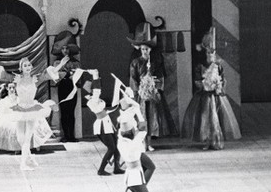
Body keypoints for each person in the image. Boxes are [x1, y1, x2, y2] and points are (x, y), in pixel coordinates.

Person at [0, 56, 69, 170]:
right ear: (21, 68)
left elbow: (49, 73)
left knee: (27, 138)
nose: (27, 67)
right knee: (21, 138)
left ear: (31, 67)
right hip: (20, 109)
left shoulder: (35, 79)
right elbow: (2, 74)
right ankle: (29, 157)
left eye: (29, 65)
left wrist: (61, 63)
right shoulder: (16, 79)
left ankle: (23, 164)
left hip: (32, 109)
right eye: (25, 65)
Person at [181, 27, 241, 150]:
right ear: (205, 53)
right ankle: (205, 141)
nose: (210, 55)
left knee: (216, 118)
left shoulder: (218, 66)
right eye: (208, 52)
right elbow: (197, 80)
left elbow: (223, 79)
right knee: (205, 118)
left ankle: (216, 140)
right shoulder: (201, 66)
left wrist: (219, 85)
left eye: (212, 53)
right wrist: (204, 85)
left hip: (215, 95)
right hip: (204, 96)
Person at [128, 22, 177, 151]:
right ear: (140, 49)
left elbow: (160, 76)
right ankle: (141, 142)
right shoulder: (135, 62)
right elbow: (133, 78)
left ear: (150, 50)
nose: (145, 51)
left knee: (152, 118)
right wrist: (138, 90)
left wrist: (156, 89)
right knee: (141, 118)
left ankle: (149, 143)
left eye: (147, 49)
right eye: (143, 49)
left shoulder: (154, 62)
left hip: (152, 94)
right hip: (140, 95)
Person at [117, 111, 157, 192]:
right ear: (132, 132)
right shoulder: (135, 143)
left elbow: (128, 129)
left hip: (129, 176)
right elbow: (143, 126)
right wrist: (138, 109)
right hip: (136, 178)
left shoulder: (120, 141)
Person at [85, 70, 124, 176]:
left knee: (116, 146)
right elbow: (97, 90)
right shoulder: (92, 101)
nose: (99, 89)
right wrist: (95, 76)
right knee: (111, 148)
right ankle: (101, 170)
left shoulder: (96, 100)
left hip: (107, 124)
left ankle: (117, 167)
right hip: (101, 126)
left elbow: (112, 106)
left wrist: (117, 86)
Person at [52, 30, 81, 142]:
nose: (65, 50)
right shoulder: (56, 63)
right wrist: (63, 68)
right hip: (62, 87)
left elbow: (79, 76)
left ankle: (72, 135)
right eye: (63, 48)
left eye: (67, 48)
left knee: (71, 111)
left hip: (72, 87)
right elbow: (55, 76)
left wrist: (73, 75)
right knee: (64, 111)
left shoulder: (76, 62)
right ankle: (65, 135)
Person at [0, 82, 20, 152]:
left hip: (17, 117)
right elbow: (1, 114)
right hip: (7, 119)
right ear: (7, 89)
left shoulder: (18, 99)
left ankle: (18, 147)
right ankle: (13, 147)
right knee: (12, 127)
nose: (12, 89)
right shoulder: (3, 101)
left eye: (13, 88)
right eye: (10, 88)